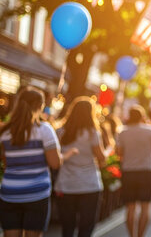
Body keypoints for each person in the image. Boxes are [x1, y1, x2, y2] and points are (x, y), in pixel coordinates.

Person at [0, 87, 71, 237]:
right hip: (36, 194)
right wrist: (67, 155)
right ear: (40, 106)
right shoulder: (44, 130)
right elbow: (55, 164)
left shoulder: (5, 132)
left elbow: (6, 164)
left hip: (10, 193)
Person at [55, 96, 109, 237]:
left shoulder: (61, 132)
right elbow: (101, 158)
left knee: (67, 226)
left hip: (66, 184)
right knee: (86, 226)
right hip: (89, 184)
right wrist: (109, 150)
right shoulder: (92, 133)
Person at [116, 106, 151, 237]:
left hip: (128, 171)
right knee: (145, 207)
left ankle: (132, 235)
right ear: (142, 116)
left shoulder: (122, 132)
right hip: (147, 171)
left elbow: (119, 153)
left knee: (130, 208)